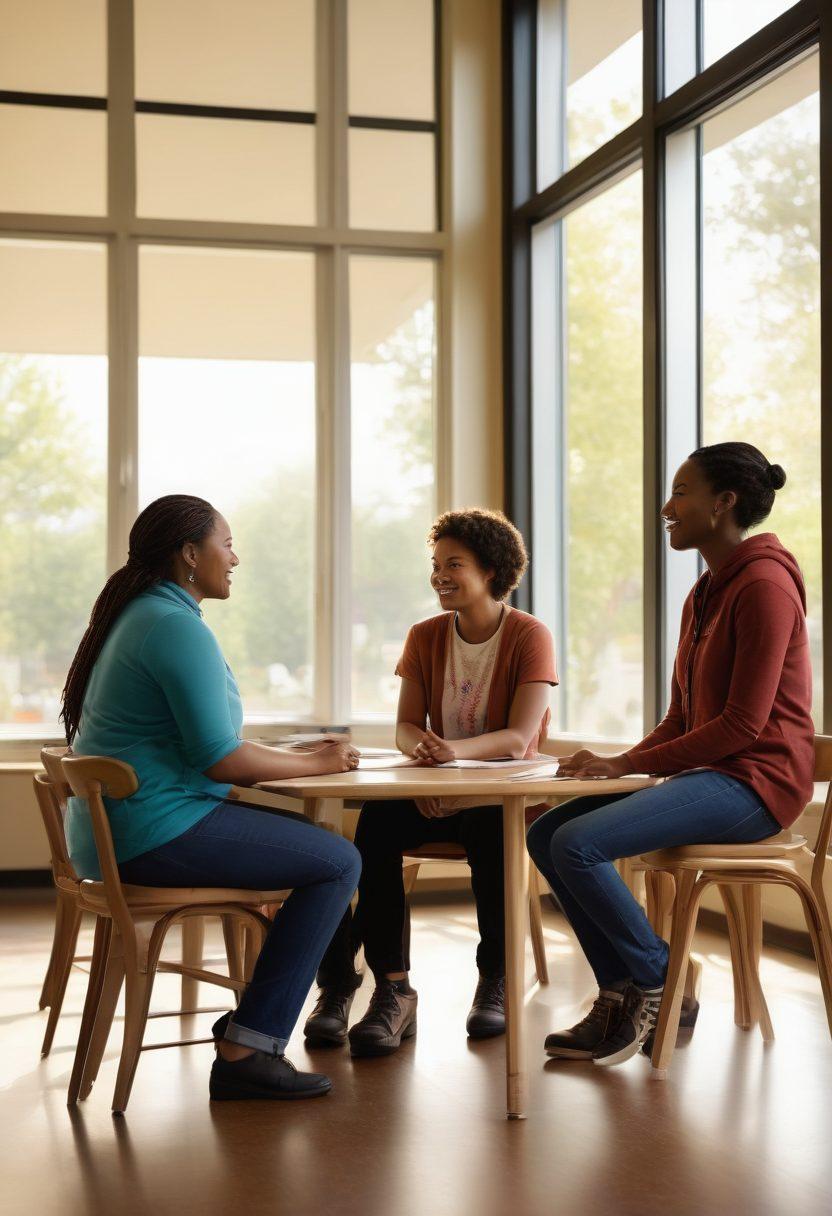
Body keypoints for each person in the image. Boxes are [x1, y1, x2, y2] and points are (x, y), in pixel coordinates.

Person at [63, 494, 362, 1101]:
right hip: (150, 831)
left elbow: (206, 746)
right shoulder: (173, 626)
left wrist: (302, 758)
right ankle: (250, 1044)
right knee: (337, 861)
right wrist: (318, 762)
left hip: (125, 827)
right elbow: (221, 759)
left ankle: (291, 1007)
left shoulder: (145, 615)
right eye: (226, 544)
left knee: (316, 850)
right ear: (190, 554)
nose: (235, 558)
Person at [527, 442, 814, 1066]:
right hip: (715, 774)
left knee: (578, 844)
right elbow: (681, 718)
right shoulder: (705, 594)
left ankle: (662, 978)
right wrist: (618, 760)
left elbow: (742, 725)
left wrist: (626, 766)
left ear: (724, 502)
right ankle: (625, 990)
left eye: (681, 492)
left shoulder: (764, 586)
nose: (667, 506)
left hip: (759, 785)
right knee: (547, 829)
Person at [305, 508, 557, 1057]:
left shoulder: (529, 635)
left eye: (454, 564)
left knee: (492, 836)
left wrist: (451, 754)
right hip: (434, 786)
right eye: (436, 564)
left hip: (499, 795)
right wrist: (420, 751)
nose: (440, 575)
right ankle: (393, 989)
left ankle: (495, 978)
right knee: (373, 831)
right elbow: (403, 726)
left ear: (491, 570)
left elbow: (518, 738)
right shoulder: (424, 636)